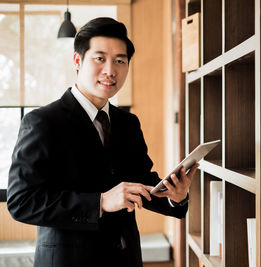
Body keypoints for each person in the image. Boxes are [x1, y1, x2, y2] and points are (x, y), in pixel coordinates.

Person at [7, 17, 198, 267]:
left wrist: (176, 196)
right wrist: (100, 202)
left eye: (120, 61)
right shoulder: (43, 122)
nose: (111, 70)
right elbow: (21, 201)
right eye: (100, 58)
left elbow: (142, 184)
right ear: (78, 60)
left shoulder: (128, 123)